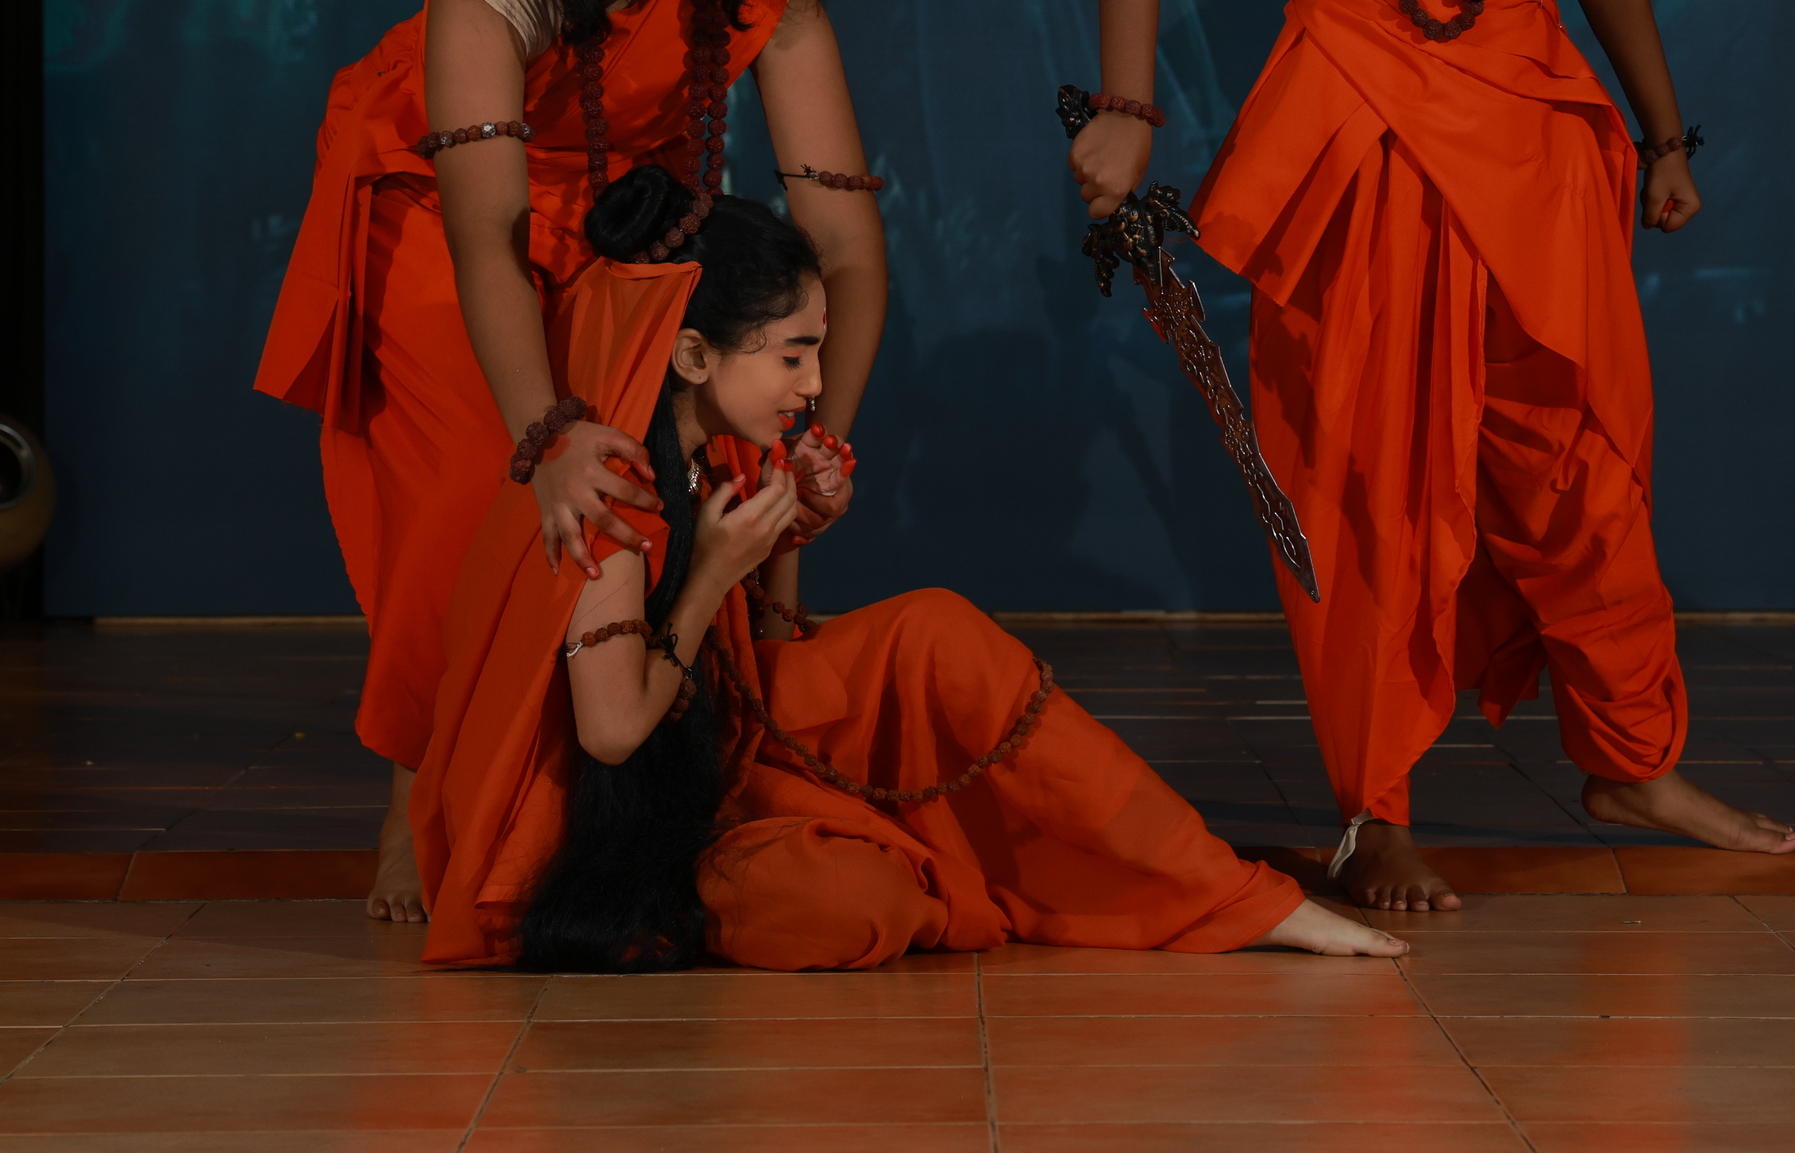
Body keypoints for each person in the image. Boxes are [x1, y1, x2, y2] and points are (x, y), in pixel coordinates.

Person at [1068, 0, 1795, 914]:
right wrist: (1127, 107)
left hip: (1535, 167)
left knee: (1580, 480)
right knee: (1377, 489)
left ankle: (1631, 756)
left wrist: (1663, 136)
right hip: (1377, 168)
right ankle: (1371, 811)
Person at [413, 165, 1405, 970]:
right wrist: (718, 568)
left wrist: (781, 530)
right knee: (860, 904)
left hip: (709, 767)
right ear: (693, 356)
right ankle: (970, 870)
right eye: (792, 356)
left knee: (936, 630)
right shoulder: (610, 494)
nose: (813, 385)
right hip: (607, 852)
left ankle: (1231, 895)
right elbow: (614, 730)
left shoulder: (705, 453)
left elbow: (723, 647)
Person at [258, 0, 888, 923]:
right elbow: (486, 233)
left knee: (684, 465)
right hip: (441, 215)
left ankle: (613, 792)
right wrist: (543, 431)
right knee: (475, 488)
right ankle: (417, 788)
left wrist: (813, 435)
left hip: (625, 229)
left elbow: (846, 244)